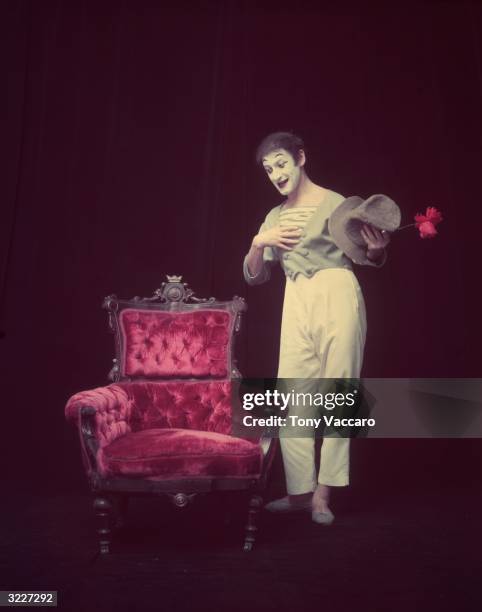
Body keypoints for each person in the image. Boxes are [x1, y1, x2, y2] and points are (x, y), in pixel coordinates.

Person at [243, 131, 390, 525]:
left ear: (300, 158)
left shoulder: (335, 203)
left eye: (280, 163)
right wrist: (260, 242)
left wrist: (376, 251)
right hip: (296, 299)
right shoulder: (274, 217)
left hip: (336, 291)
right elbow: (254, 276)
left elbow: (364, 254)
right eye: (268, 168)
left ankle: (323, 495)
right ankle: (299, 492)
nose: (275, 173)